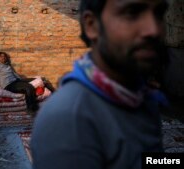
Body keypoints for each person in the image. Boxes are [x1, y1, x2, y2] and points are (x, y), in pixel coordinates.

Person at [31, 0, 169, 169]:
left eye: (159, 14)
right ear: (91, 25)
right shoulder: (68, 118)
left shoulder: (141, 96)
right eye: (132, 12)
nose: (154, 30)